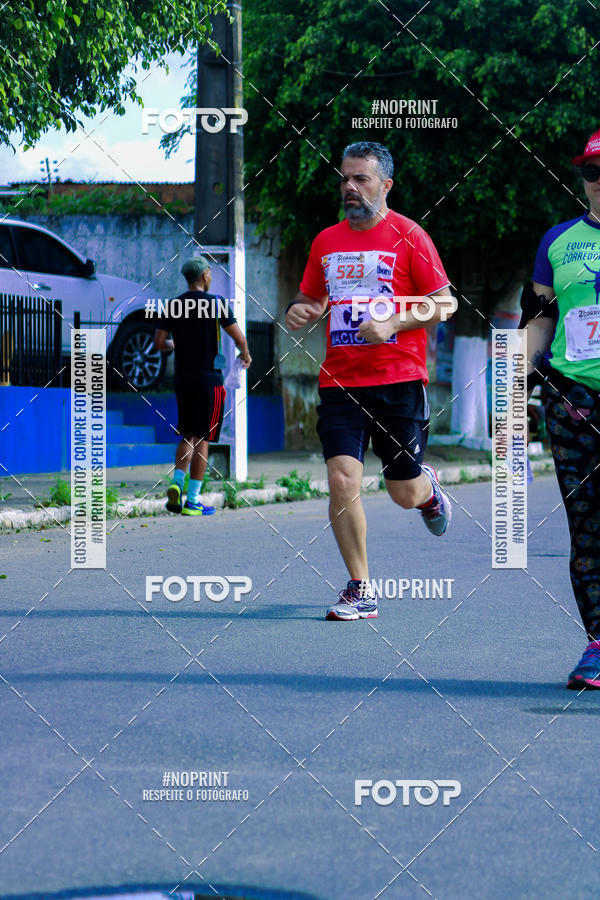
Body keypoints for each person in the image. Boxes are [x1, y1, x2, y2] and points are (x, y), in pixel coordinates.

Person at [285, 141, 455, 621]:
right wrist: (303, 309)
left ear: (386, 185)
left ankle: (429, 489)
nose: (350, 187)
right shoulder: (326, 241)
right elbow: (312, 298)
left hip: (399, 380)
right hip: (339, 382)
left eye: (361, 179)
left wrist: (394, 323)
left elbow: (446, 303)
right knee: (342, 479)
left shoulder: (409, 235)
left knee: (403, 493)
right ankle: (360, 587)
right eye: (345, 178)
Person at [522, 128, 600, 689]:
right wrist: (514, 379)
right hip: (573, 400)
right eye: (593, 171)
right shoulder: (558, 240)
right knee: (587, 527)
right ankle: (598, 643)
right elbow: (539, 319)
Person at [153, 256, 251, 516]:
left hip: (183, 381)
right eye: (210, 274)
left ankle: (176, 484)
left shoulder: (173, 305)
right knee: (204, 438)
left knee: (187, 434)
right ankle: (193, 500)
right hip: (209, 381)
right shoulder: (217, 303)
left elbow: (159, 342)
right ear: (205, 276)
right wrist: (246, 354)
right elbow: (238, 336)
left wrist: (176, 344)